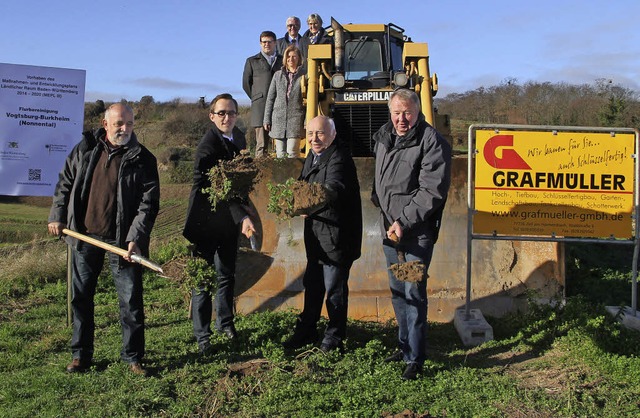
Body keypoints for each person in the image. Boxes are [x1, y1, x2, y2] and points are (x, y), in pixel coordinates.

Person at [48, 103, 160, 376]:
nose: (124, 129)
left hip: (121, 243)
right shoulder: (85, 149)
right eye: (119, 123)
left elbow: (148, 205)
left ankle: (133, 357)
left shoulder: (143, 158)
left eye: (129, 124)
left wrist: (136, 238)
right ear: (105, 123)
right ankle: (80, 355)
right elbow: (66, 181)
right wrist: (57, 214)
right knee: (81, 298)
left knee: (131, 301)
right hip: (83, 237)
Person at [371, 89, 451, 380]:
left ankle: (416, 358)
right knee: (397, 292)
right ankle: (404, 348)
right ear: (389, 112)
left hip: (415, 234)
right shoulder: (383, 138)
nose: (401, 119)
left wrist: (403, 221)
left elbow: (432, 191)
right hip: (390, 232)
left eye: (407, 113)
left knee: (413, 292)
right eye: (396, 112)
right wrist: (380, 206)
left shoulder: (432, 142)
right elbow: (380, 181)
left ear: (418, 112)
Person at [183, 93, 256, 355]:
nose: (227, 117)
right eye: (222, 113)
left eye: (232, 113)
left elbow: (240, 180)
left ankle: (225, 323)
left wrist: (244, 203)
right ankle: (203, 335)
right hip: (205, 221)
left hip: (227, 221)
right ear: (212, 116)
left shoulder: (238, 138)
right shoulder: (208, 147)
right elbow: (220, 189)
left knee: (226, 275)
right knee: (203, 280)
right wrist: (243, 216)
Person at [283, 115, 362, 353]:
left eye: (320, 133)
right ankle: (307, 329)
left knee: (334, 288)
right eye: (310, 134)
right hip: (318, 235)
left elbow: (333, 188)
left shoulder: (339, 158)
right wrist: (290, 198)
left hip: (337, 236)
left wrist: (307, 205)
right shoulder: (313, 156)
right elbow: (302, 184)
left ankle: (334, 337)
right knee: (314, 284)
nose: (314, 139)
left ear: (332, 135)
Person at [242, 30, 282, 158]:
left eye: (269, 42)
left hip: (280, 106)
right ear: (260, 44)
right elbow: (246, 84)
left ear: (275, 43)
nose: (266, 44)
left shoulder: (283, 60)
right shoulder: (251, 61)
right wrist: (257, 97)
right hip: (260, 107)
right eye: (264, 42)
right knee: (261, 145)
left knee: (281, 144)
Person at [263, 45, 306, 158]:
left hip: (296, 119)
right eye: (289, 56)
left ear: (299, 59)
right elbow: (270, 98)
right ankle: (281, 176)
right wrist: (267, 119)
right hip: (278, 119)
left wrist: (306, 121)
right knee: (280, 154)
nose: (291, 59)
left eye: (294, 57)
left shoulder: (305, 76)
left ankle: (294, 176)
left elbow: (308, 101)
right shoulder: (277, 75)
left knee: (292, 152)